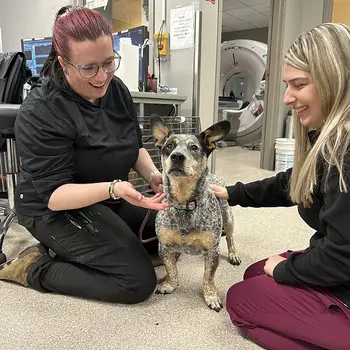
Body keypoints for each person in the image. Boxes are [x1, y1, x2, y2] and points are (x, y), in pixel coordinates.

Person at [0, 5, 169, 304]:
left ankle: (78, 249)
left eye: (108, 62)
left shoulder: (117, 91)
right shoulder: (41, 111)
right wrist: (114, 188)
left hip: (104, 196)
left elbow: (134, 147)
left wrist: (153, 176)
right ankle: (33, 267)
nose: (102, 76)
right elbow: (54, 195)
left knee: (169, 234)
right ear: (63, 63)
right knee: (137, 280)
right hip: (52, 209)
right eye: (89, 67)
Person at [211, 23, 350, 349]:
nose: (287, 97)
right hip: (339, 261)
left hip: (344, 275)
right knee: (257, 272)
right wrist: (234, 194)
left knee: (241, 300)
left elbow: (342, 258)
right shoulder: (327, 140)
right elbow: (296, 183)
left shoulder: (346, 153)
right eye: (287, 85)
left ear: (336, 81)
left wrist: (289, 269)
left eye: (299, 85)